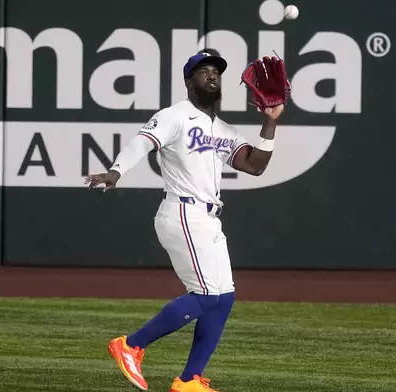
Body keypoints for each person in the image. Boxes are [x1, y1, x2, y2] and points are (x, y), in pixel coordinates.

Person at [84, 51, 284, 392]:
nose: (212, 76)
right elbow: (142, 142)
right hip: (183, 212)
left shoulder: (223, 129)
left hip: (209, 219)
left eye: (216, 72)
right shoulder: (175, 116)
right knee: (206, 296)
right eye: (203, 71)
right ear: (189, 81)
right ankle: (131, 344)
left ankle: (190, 379)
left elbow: (255, 165)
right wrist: (117, 171)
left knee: (224, 298)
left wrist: (270, 121)